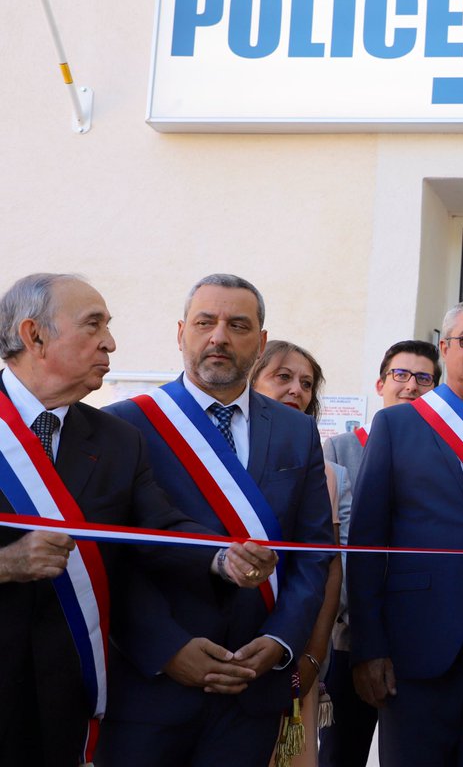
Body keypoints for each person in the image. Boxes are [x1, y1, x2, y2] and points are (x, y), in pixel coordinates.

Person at [0, 273, 272, 766]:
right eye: (93, 325)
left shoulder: (116, 439)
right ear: (33, 336)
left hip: (63, 697)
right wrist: (7, 562)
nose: (111, 341)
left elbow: (160, 527)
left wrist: (221, 556)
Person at [98, 274, 334, 766]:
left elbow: (312, 552)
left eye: (238, 325)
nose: (219, 337)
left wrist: (280, 641)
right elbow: (110, 557)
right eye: (205, 322)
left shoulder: (296, 431)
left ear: (262, 342)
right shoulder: (125, 424)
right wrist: (167, 649)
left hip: (254, 687)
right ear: (181, 332)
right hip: (152, 686)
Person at [348, 299, 463, 766]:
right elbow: (368, 545)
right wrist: (368, 649)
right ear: (444, 348)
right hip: (413, 655)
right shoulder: (396, 425)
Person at [320, 339, 439, 767]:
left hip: (416, 633)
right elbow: (337, 544)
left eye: (424, 378)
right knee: (341, 751)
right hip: (352, 632)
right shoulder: (341, 450)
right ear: (381, 383)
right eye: (401, 375)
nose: (411, 386)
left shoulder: (442, 454)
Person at [250, 340, 345, 767]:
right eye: (282, 377)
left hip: (290, 649)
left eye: (306, 383)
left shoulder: (324, 473)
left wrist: (312, 655)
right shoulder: (219, 457)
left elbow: (326, 565)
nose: (296, 390)